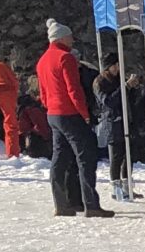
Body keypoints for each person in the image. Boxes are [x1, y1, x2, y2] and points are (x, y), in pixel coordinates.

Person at [35, 21, 110, 218]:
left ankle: (63, 203)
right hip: (69, 113)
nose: (72, 40)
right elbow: (73, 89)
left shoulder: (42, 60)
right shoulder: (65, 58)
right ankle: (91, 204)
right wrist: (84, 113)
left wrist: (49, 107)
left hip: (53, 113)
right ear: (60, 37)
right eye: (69, 37)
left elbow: (42, 93)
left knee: (59, 158)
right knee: (86, 156)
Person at [92, 56, 135, 200]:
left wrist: (132, 87)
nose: (116, 68)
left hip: (125, 120)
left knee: (128, 155)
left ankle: (127, 186)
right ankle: (116, 188)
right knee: (116, 156)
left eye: (117, 65)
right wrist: (125, 87)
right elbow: (108, 102)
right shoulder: (100, 82)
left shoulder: (118, 79)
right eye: (113, 66)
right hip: (112, 122)